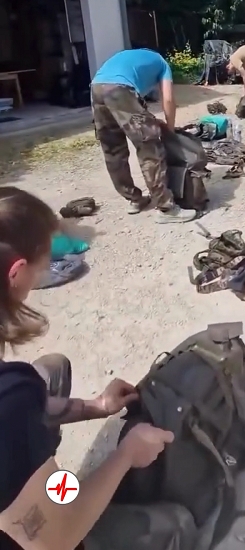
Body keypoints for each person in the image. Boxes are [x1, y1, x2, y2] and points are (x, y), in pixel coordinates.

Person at [0, 186, 174, 550]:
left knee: (50, 371)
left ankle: (35, 481)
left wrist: (96, 407)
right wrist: (126, 455)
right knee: (172, 525)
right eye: (43, 265)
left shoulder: (14, 394)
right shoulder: (11, 397)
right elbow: (54, 540)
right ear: (15, 272)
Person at [91, 48, 196, 223]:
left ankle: (134, 199)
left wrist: (150, 122)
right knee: (149, 145)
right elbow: (168, 100)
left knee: (113, 150)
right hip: (120, 89)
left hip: (96, 88)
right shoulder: (162, 63)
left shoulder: (130, 58)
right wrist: (169, 131)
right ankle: (166, 208)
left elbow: (135, 105)